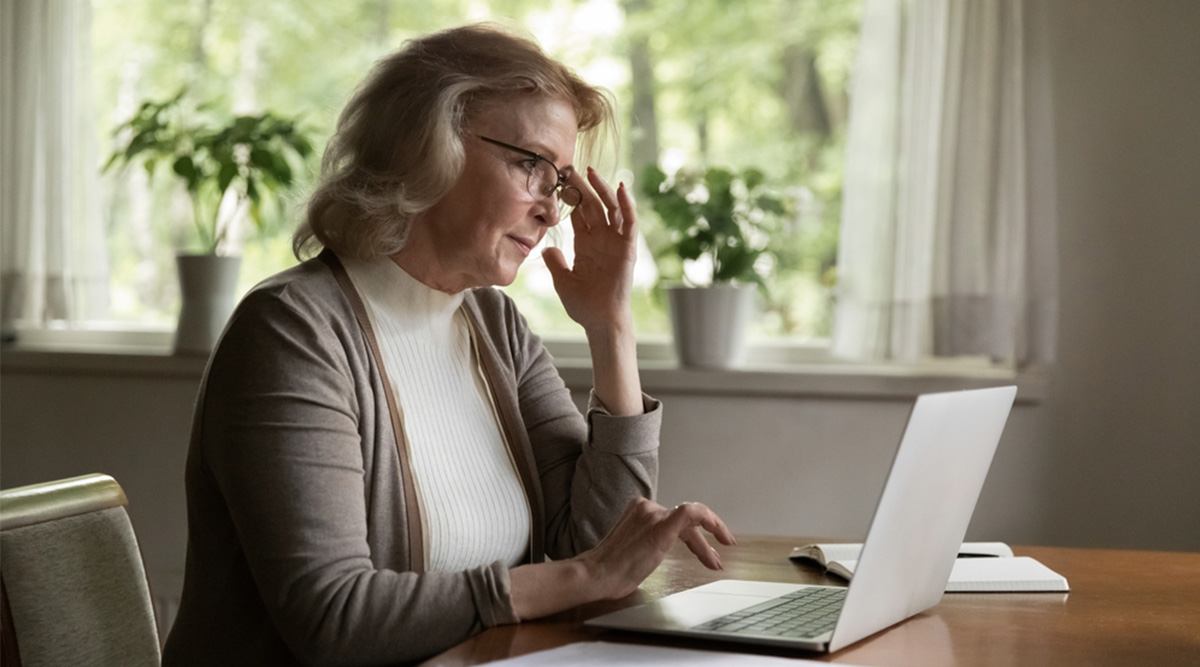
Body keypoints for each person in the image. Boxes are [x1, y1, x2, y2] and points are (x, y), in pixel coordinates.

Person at [162, 22, 734, 666]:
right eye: (531, 165)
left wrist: (610, 327)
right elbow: (335, 620)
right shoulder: (292, 331)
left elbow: (595, 542)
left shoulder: (496, 327)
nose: (552, 209)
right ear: (425, 145)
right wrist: (580, 578)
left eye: (561, 183)